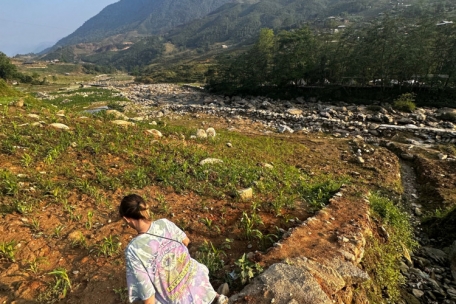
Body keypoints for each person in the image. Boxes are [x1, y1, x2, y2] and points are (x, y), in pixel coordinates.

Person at [119, 194, 228, 304]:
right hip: (199, 283)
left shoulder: (133, 250)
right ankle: (216, 297)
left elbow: (147, 293)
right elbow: (186, 241)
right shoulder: (164, 223)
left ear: (126, 219)